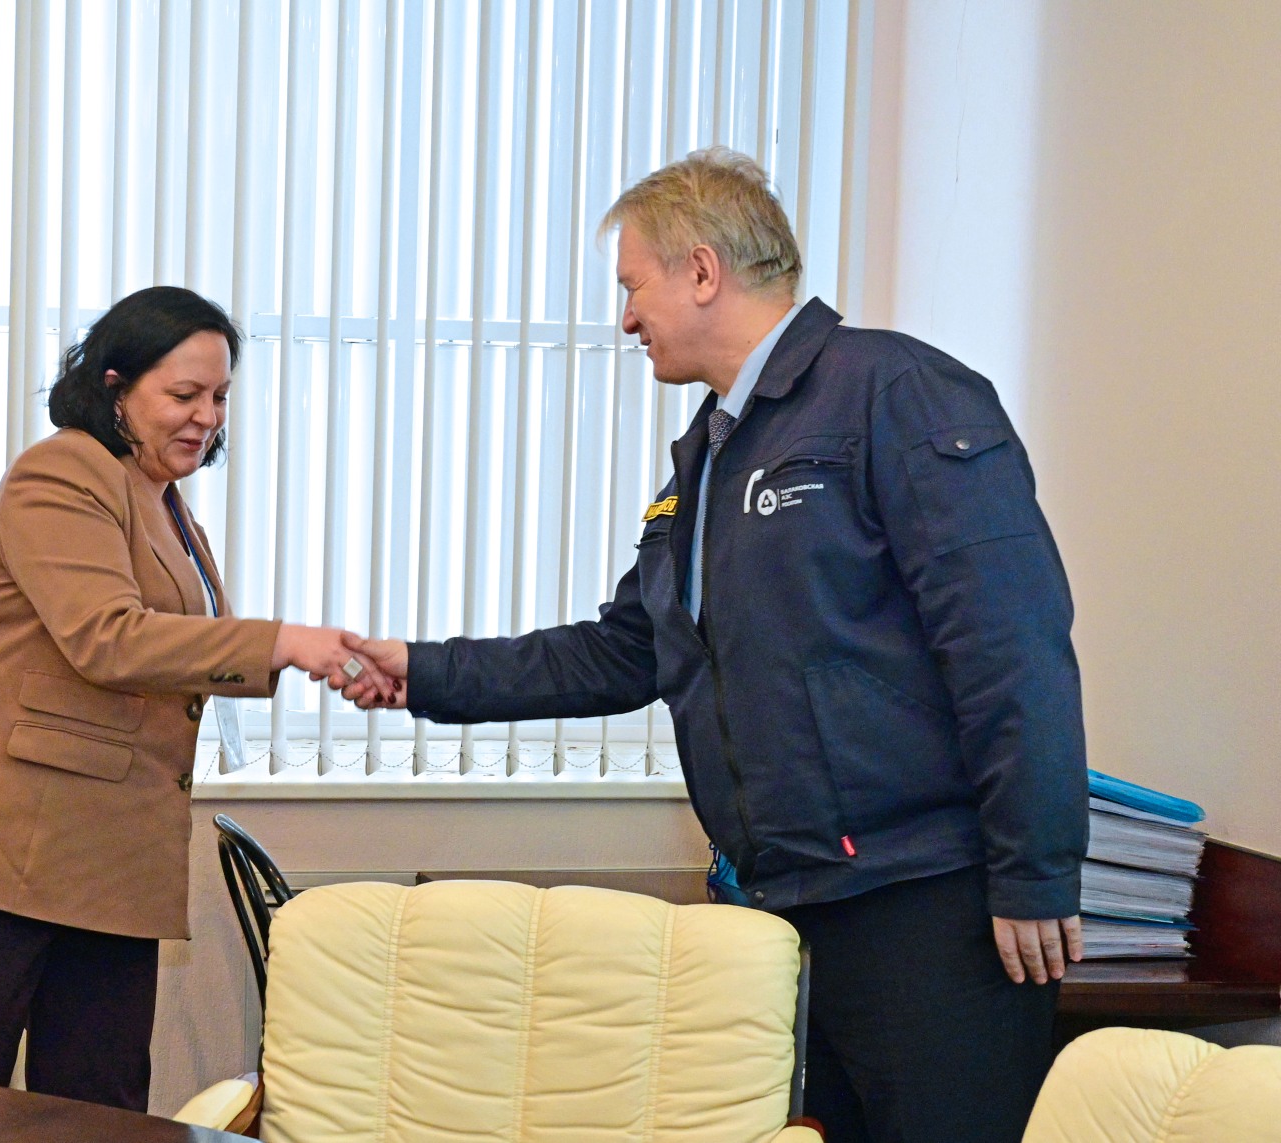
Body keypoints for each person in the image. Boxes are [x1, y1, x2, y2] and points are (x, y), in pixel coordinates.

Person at [340, 149, 1088, 1143]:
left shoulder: (895, 391)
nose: (625, 319)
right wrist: (423, 670)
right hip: (791, 905)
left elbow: (1010, 645)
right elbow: (624, 652)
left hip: (924, 904)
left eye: (632, 286)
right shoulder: (709, 453)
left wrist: (1036, 870)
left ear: (700, 271)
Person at [0, 286, 389, 1111]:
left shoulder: (169, 504)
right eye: (184, 394)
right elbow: (107, 637)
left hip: (107, 862)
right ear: (115, 387)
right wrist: (282, 642)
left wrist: (317, 657)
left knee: (104, 1105)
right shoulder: (63, 470)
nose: (206, 417)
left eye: (219, 397)